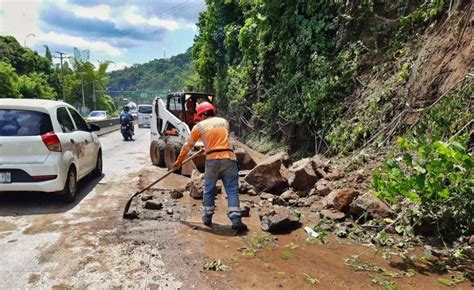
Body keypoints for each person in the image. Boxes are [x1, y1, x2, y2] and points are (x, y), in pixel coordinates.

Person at [172, 102, 247, 232]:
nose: (199, 119)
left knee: (209, 189)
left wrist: (178, 161)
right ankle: (236, 220)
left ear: (202, 114)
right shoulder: (224, 122)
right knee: (232, 190)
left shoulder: (199, 126)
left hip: (212, 161)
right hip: (229, 159)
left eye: (199, 116)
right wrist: (207, 148)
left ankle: (207, 218)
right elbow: (221, 140)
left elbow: (187, 146)